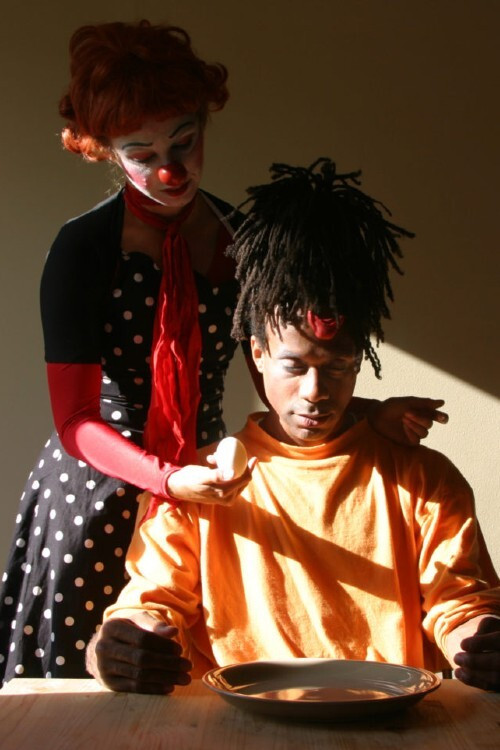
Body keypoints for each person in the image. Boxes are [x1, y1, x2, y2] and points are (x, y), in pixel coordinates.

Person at [0, 22, 446, 683]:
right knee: (86, 685)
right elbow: (74, 422)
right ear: (105, 152)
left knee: (184, 682)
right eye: (142, 152)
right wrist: (165, 478)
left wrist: (363, 413)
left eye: (184, 140)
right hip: (97, 493)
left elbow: (280, 367)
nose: (170, 169)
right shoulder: (83, 248)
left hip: (203, 482)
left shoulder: (240, 237)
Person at [86, 159, 500, 695]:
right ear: (257, 353)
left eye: (338, 368)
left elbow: (461, 601)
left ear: (359, 362)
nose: (315, 392)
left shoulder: (424, 478)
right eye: (294, 366)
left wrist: (479, 639)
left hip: (388, 722)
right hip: (237, 723)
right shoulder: (201, 483)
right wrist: (116, 647)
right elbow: (149, 603)